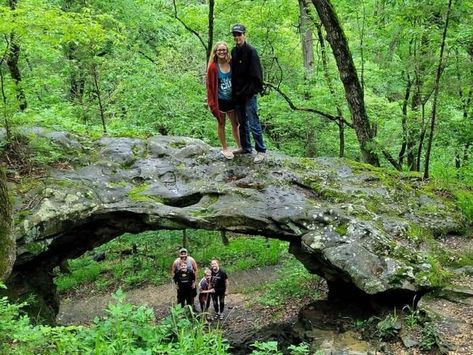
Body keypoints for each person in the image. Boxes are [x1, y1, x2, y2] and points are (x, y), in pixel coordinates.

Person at [230, 24, 267, 164]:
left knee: (253, 123)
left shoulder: (251, 52)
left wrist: (250, 92)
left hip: (249, 94)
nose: (237, 37)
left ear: (244, 35)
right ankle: (246, 147)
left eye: (239, 34)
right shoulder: (233, 51)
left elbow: (257, 77)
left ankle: (261, 150)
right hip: (238, 95)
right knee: (242, 123)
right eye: (235, 35)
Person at [206, 41, 241, 160]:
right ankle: (225, 148)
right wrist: (211, 103)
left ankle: (239, 146)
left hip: (232, 100)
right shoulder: (213, 67)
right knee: (221, 124)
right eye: (219, 50)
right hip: (219, 101)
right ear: (215, 52)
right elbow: (209, 86)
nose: (221, 52)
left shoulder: (231, 63)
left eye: (223, 50)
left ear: (227, 51)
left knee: (235, 124)